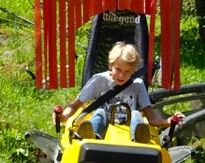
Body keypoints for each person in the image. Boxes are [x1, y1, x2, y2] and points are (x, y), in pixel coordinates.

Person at [54, 42, 184, 141]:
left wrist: (170, 121)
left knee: (136, 114)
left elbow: (152, 119)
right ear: (110, 65)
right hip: (105, 129)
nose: (122, 76)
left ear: (134, 71)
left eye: (127, 71)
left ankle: (139, 137)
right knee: (100, 112)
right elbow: (76, 104)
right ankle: (92, 135)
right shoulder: (100, 80)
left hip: (127, 132)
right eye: (118, 69)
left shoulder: (137, 85)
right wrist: (64, 116)